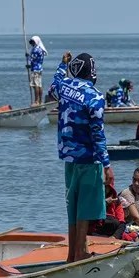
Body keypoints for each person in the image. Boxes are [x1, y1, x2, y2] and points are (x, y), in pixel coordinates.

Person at [49, 50, 113, 262]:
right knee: (85, 207)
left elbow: (53, 85)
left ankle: (71, 254)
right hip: (88, 158)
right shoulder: (95, 97)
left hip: (67, 157)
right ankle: (79, 253)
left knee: (73, 205)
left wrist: (61, 64)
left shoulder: (65, 86)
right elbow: (98, 133)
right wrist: (107, 164)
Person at [91, 169, 127, 239]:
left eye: (106, 187)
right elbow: (88, 218)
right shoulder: (91, 199)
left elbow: (121, 222)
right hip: (95, 233)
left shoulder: (116, 200)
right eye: (101, 187)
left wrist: (114, 237)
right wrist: (104, 203)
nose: (103, 189)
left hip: (112, 234)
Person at [26, 35, 48, 106]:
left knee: (36, 85)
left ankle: (36, 101)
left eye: (33, 42)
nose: (32, 44)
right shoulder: (40, 49)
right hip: (39, 69)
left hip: (35, 69)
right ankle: (40, 101)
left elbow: (33, 59)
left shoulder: (36, 50)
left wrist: (28, 59)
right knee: (39, 85)